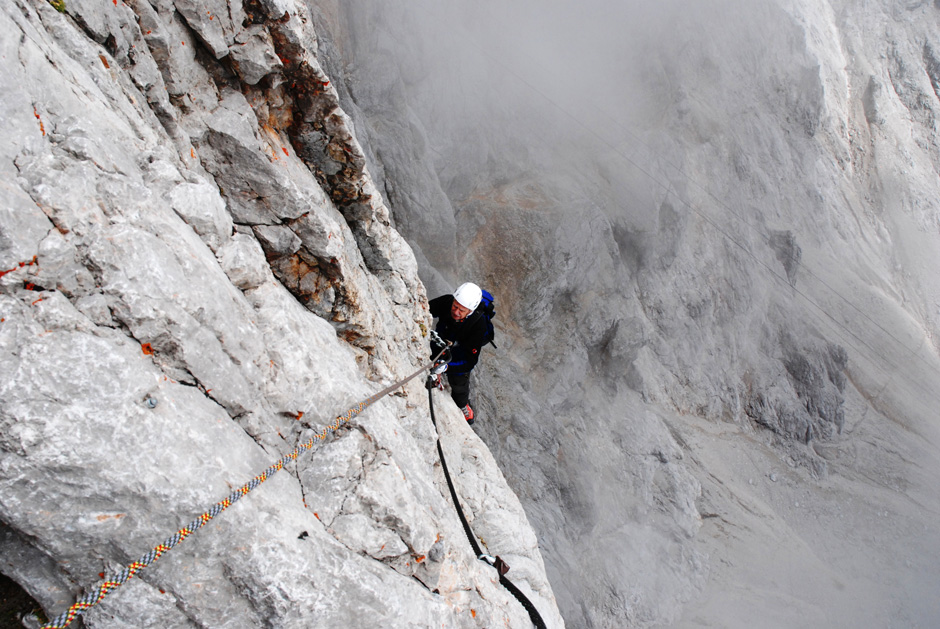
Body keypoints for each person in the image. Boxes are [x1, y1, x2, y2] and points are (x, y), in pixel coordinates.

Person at [428, 282, 487, 424]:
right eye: (455, 306)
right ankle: (436, 377)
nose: (456, 312)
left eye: (462, 310)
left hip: (459, 354)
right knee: (432, 362)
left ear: (470, 311)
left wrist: (448, 366)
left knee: (459, 384)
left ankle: (462, 405)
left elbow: (469, 361)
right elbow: (425, 309)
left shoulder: (478, 325)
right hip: (440, 341)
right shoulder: (447, 301)